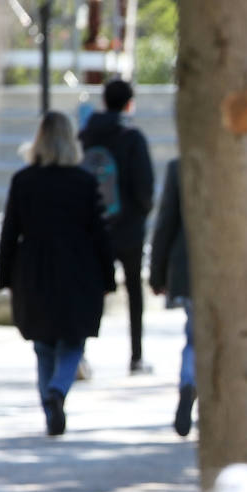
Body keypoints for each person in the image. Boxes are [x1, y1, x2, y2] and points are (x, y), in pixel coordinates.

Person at [0, 111, 115, 437]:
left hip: (33, 271)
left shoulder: (23, 181)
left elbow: (9, 234)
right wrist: (108, 277)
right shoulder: (85, 182)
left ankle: (49, 403)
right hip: (79, 271)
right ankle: (58, 390)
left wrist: (4, 276)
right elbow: (99, 234)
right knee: (72, 342)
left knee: (43, 345)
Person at [79, 78, 155, 374]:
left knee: (91, 289)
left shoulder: (86, 136)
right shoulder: (132, 137)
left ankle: (80, 352)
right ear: (129, 103)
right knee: (134, 292)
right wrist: (141, 213)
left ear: (104, 101)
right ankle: (136, 357)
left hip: (93, 227)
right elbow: (144, 185)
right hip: (129, 228)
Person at [149, 158, 196, 437]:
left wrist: (157, 274)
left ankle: (188, 382)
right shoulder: (246, 160)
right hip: (234, 269)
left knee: (195, 337)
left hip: (189, 266)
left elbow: (166, 221)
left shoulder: (181, 166)